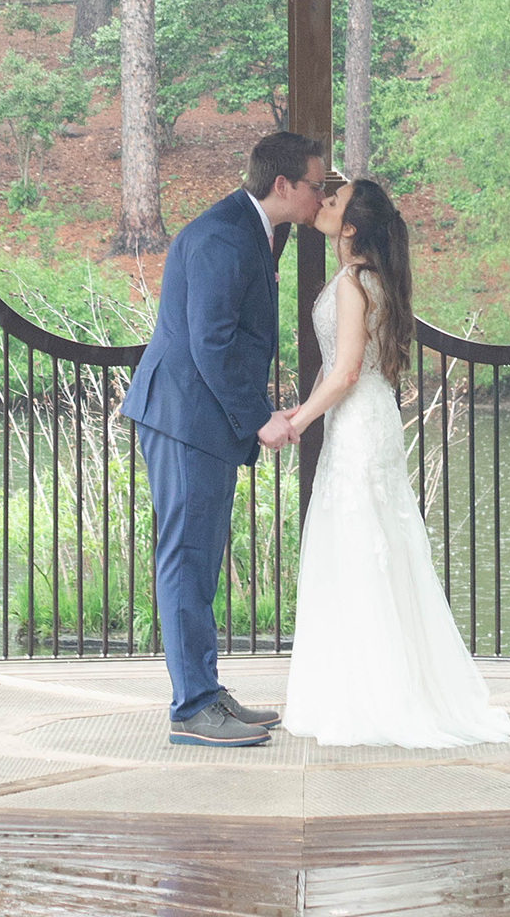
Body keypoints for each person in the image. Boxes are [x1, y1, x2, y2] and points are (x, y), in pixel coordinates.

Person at [279, 175, 510, 749]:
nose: (324, 202)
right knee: (377, 547)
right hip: (374, 417)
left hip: (357, 424)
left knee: (357, 546)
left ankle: (367, 695)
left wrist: (298, 421)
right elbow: (341, 369)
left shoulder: (350, 283)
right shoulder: (376, 280)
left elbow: (342, 373)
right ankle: (383, 683)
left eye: (333, 202)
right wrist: (308, 405)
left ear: (351, 227)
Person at [120, 128, 324, 746]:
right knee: (186, 559)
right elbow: (210, 341)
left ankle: (206, 691)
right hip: (184, 419)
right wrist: (260, 416)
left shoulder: (252, 228)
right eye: (317, 186)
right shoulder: (224, 237)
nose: (322, 197)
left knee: (199, 560)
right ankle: (191, 708)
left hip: (197, 421)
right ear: (283, 185)